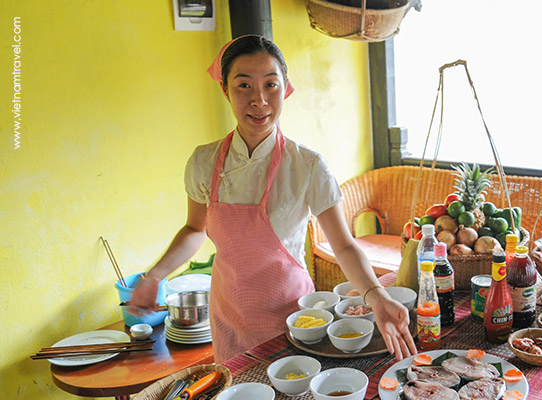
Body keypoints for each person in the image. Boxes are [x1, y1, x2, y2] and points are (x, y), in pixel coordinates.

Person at [129, 35, 418, 363]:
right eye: (244, 86)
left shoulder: (307, 165)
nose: (260, 100)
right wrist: (155, 276)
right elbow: (195, 230)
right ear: (225, 89)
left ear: (286, 88)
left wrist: (377, 297)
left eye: (271, 85)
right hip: (229, 318)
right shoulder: (203, 162)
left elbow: (344, 246)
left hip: (296, 319)